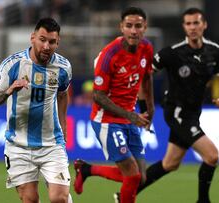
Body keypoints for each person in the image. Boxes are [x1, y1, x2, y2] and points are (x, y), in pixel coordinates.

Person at [136, 8, 219, 203]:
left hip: (193, 114)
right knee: (212, 156)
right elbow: (143, 77)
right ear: (184, 27)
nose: (192, 27)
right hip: (176, 112)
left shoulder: (213, 51)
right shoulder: (173, 53)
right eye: (188, 24)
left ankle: (125, 194)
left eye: (196, 23)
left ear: (204, 25)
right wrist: (143, 108)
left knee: (170, 164)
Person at [73, 7, 154, 203]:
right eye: (129, 26)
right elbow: (99, 97)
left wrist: (148, 109)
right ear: (121, 28)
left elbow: (147, 78)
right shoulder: (109, 56)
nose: (133, 31)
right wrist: (130, 115)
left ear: (145, 27)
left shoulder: (147, 48)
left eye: (138, 26)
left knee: (140, 177)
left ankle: (87, 169)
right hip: (106, 120)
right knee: (133, 176)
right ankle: (87, 170)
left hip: (129, 117)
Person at [0, 18, 73, 203]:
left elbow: (63, 94)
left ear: (57, 42)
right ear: (32, 38)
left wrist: (64, 123)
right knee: (30, 199)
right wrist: (9, 90)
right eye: (42, 39)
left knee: (59, 199)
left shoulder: (63, 67)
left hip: (51, 144)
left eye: (52, 42)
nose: (46, 46)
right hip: (18, 146)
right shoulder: (12, 65)